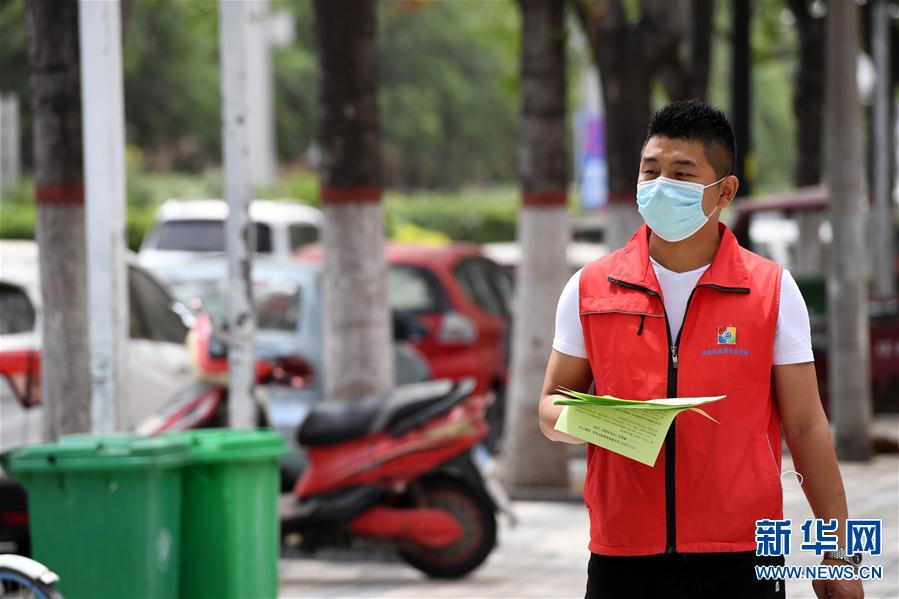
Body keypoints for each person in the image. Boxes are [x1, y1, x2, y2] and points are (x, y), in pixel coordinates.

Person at [538, 100, 863, 599]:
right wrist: (616, 423)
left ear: (725, 191)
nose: (661, 184)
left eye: (682, 174)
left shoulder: (772, 291)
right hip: (622, 556)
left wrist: (839, 555)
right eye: (651, 171)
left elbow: (806, 426)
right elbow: (550, 408)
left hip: (744, 558)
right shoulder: (589, 288)